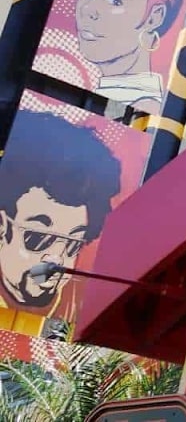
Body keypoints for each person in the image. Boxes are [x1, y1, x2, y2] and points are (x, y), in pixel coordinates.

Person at [0, 108, 122, 336]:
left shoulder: (84, 302)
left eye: (72, 244)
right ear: (2, 226)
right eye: (38, 239)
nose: (56, 261)